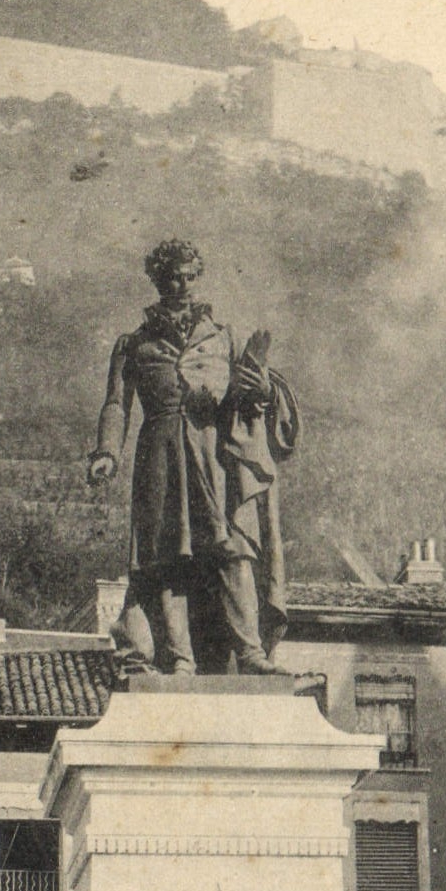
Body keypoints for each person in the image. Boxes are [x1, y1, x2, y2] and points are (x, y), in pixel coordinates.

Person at [88, 239, 299, 675]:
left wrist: (258, 391)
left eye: (188, 275)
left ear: (197, 276)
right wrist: (107, 451)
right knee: (168, 558)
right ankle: (180, 657)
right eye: (171, 276)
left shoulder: (223, 337)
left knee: (233, 548)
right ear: (156, 279)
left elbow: (252, 395)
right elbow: (116, 404)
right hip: (160, 453)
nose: (181, 284)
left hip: (214, 453)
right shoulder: (134, 344)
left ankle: (251, 652)